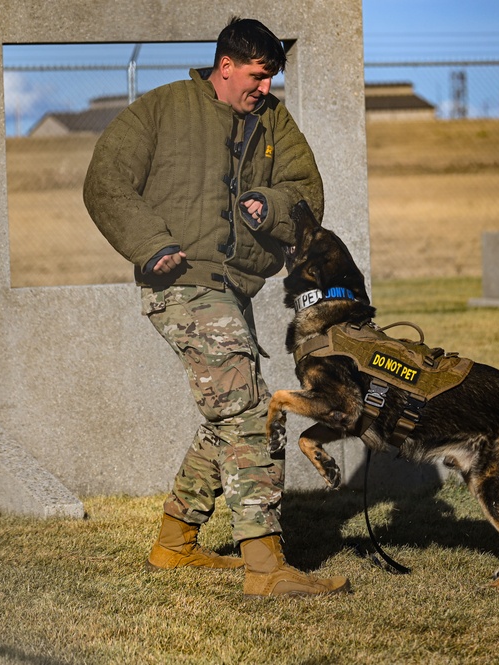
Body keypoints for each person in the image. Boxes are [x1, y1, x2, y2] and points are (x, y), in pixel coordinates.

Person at [84, 17, 349, 597]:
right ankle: (266, 568)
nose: (266, 89)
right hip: (179, 285)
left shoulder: (272, 120)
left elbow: (307, 191)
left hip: (235, 292)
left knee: (230, 412)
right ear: (225, 66)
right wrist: (151, 243)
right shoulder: (159, 110)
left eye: (272, 77)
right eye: (258, 76)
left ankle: (174, 544)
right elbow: (105, 181)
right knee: (254, 411)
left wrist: (270, 204)